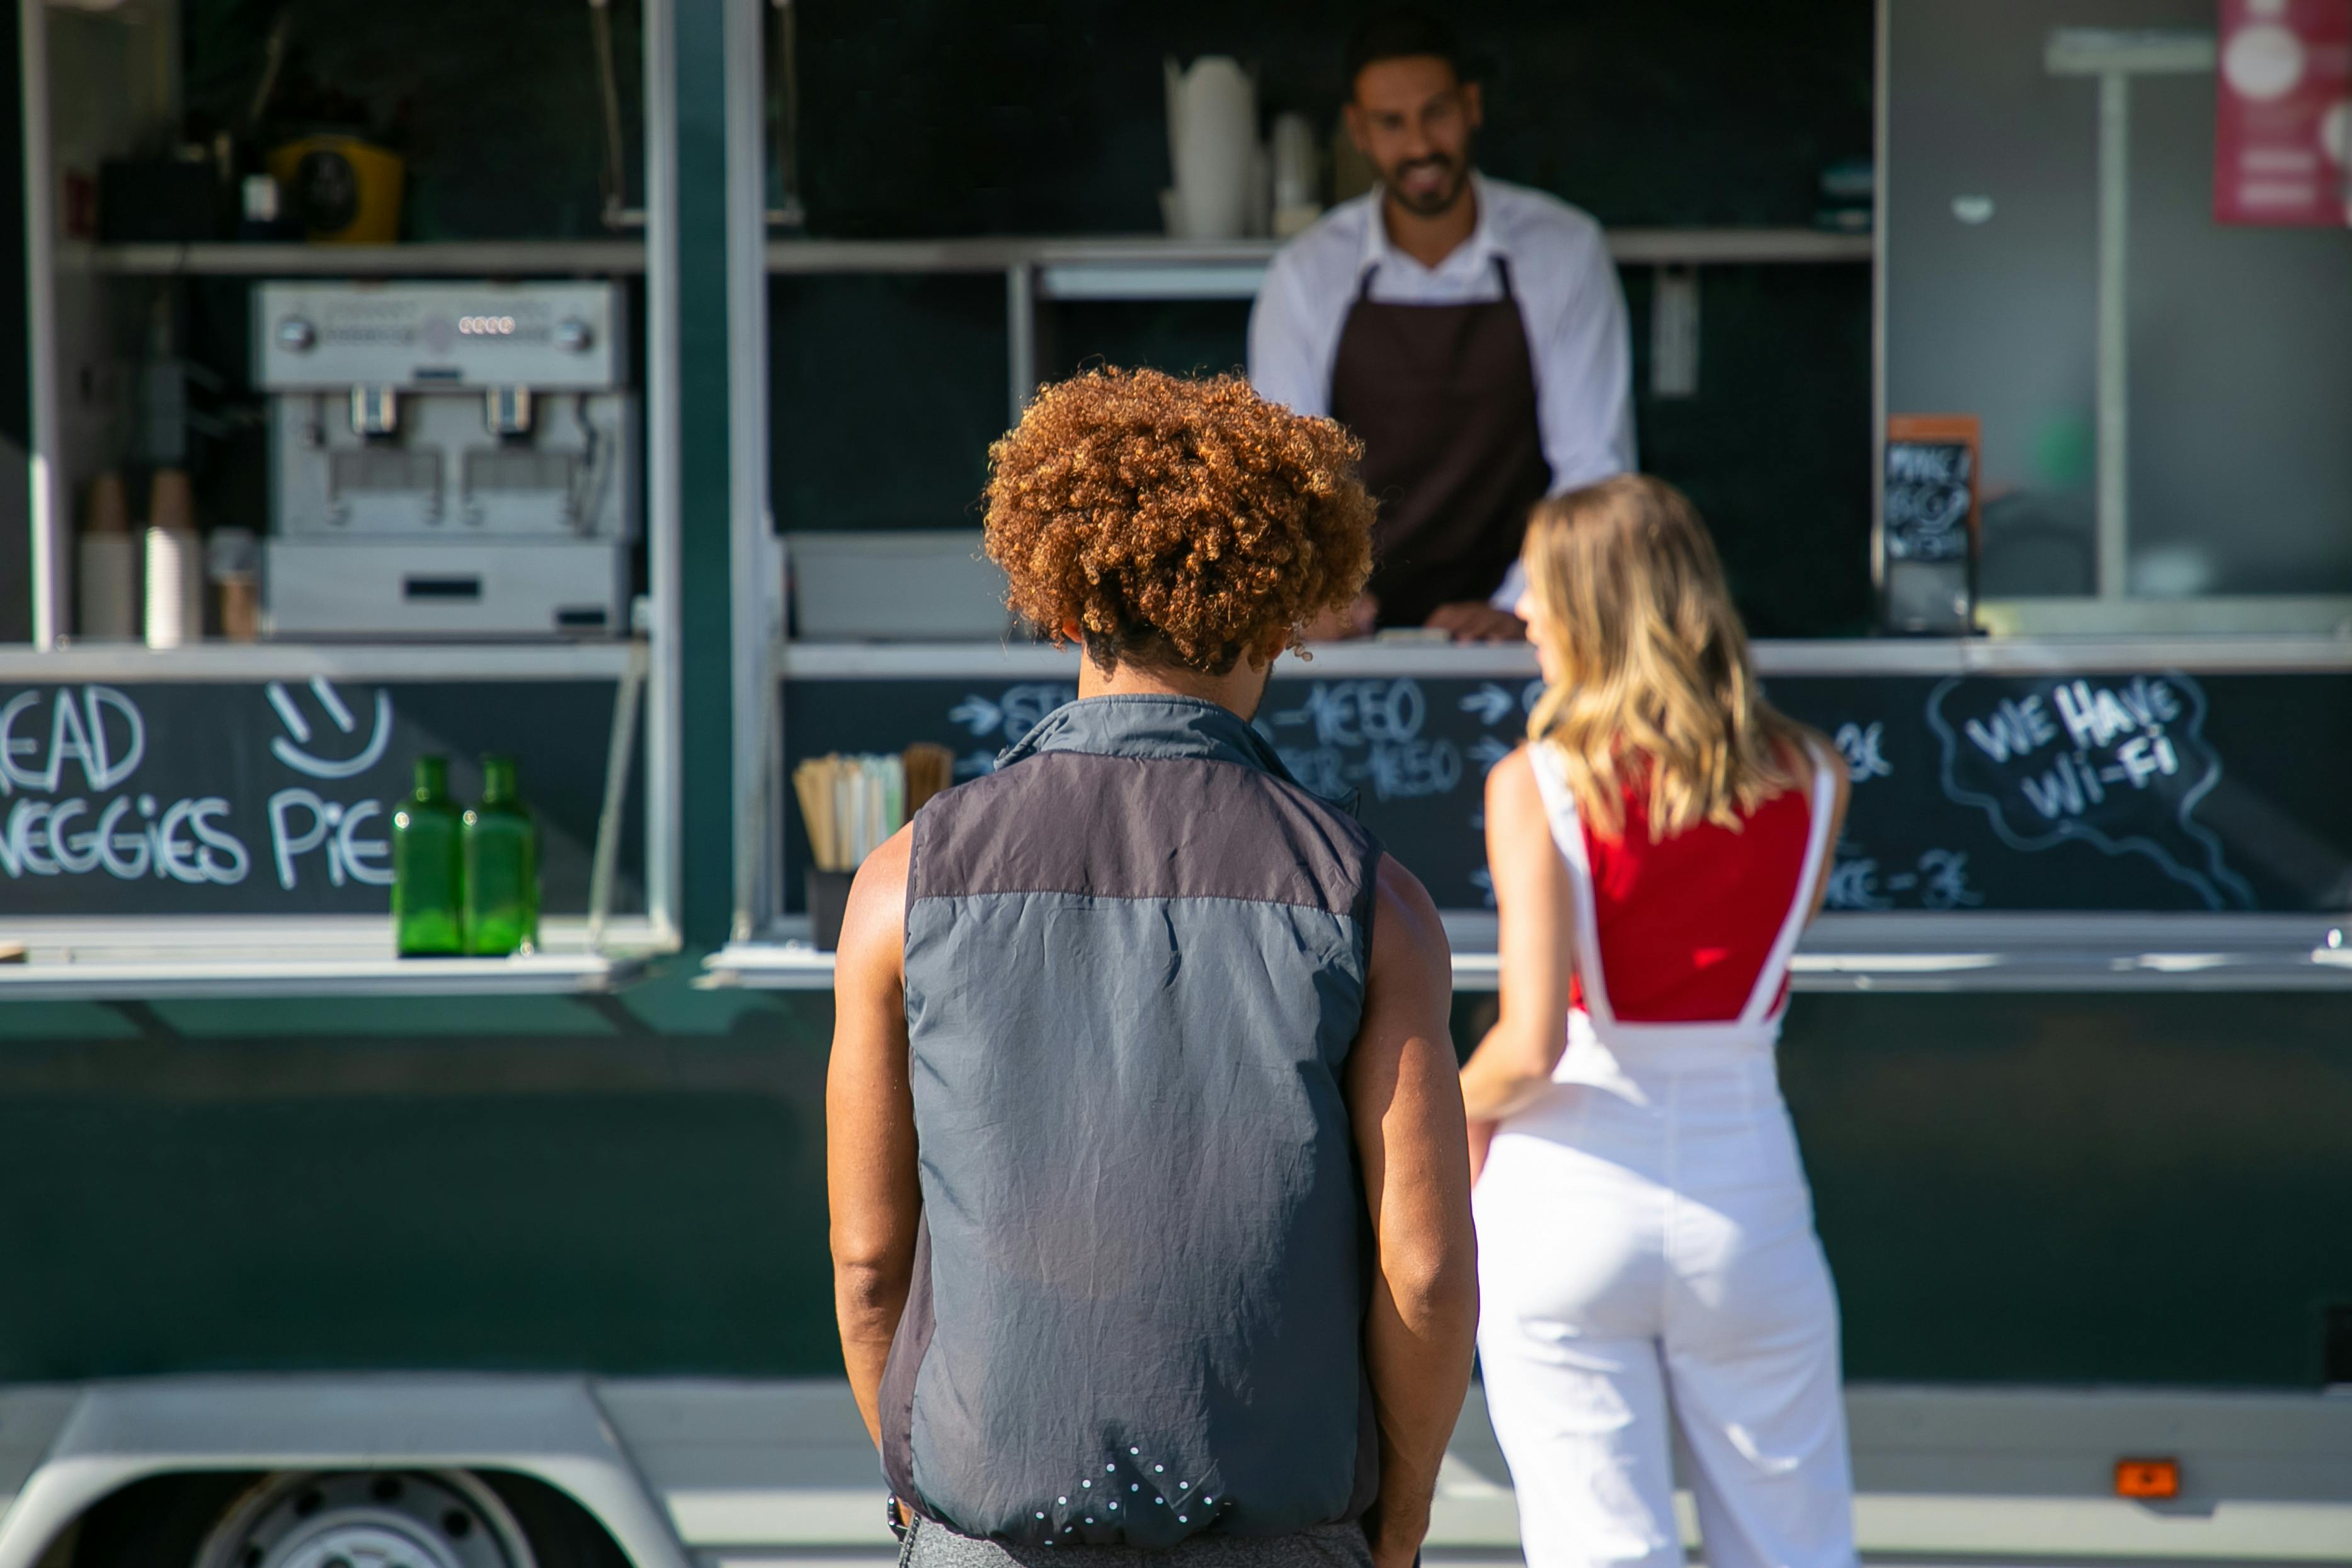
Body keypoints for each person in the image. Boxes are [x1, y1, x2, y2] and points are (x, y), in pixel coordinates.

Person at [828, 367, 1478, 1568]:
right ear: (1286, 615)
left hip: (990, 1537)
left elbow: (872, 1269)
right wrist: (1398, 1526)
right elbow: (1426, 1275)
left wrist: (926, 1504)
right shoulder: (1374, 904)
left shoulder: (897, 888)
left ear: (1064, 608)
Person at [1459, 475, 1858, 1568]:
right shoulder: (1815, 773)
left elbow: (1526, 1046)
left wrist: (1425, 1125)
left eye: (1539, 591)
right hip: (1747, 1198)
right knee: (1793, 1547)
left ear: (1592, 606)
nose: (1526, 616)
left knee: (1599, 1550)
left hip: (1565, 1200)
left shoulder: (1535, 783)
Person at [1248, 8, 1635, 643]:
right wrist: (1319, 596)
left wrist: (1521, 604)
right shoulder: (1307, 272)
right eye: (1391, 123)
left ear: (1472, 106)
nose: (1421, 145)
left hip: (1530, 631)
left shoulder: (1563, 251)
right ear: (1358, 131)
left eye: (1437, 113)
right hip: (1352, 636)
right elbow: (1284, 477)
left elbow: (1593, 471)